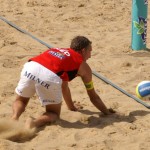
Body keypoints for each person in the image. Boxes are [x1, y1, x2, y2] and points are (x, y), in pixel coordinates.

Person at [11, 36, 115, 129]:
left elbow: (64, 86)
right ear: (83, 51)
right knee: (53, 113)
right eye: (90, 51)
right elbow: (93, 97)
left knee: (21, 100)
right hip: (49, 75)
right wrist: (106, 112)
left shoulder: (58, 50)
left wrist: (71, 107)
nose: (90, 55)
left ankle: (14, 118)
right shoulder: (84, 67)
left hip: (31, 67)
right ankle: (33, 123)